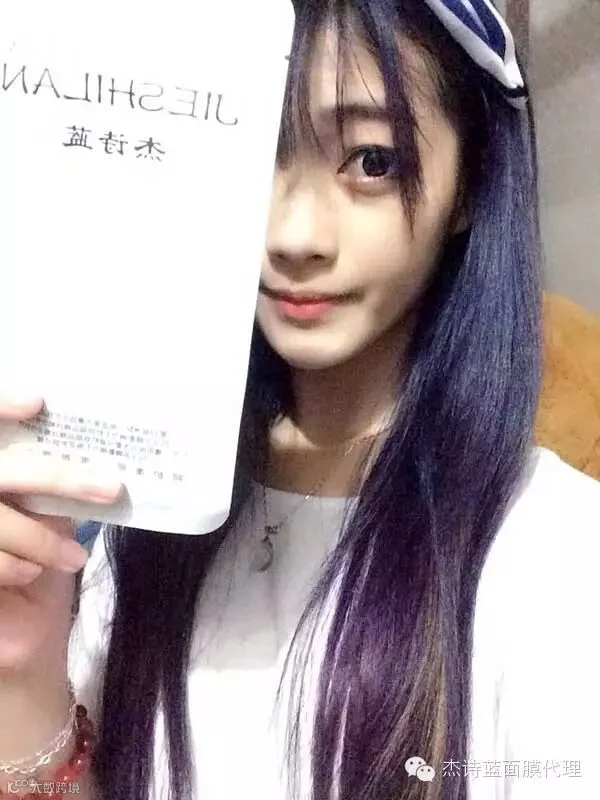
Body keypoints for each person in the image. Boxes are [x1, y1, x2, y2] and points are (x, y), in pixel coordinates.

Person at [0, 1, 598, 799]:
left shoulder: (558, 558)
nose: (293, 235)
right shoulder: (149, 522)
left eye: (373, 161)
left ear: (470, 185)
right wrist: (23, 664)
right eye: (252, 153)